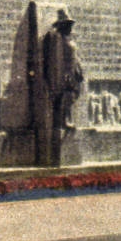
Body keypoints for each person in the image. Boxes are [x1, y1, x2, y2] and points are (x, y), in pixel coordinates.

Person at [37, 9, 83, 167]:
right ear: (62, 26)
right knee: (62, 105)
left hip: (71, 80)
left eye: (70, 25)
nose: (70, 28)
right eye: (67, 25)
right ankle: (63, 125)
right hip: (61, 81)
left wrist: (79, 71)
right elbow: (54, 63)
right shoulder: (56, 40)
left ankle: (66, 123)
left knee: (68, 102)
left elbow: (75, 61)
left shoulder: (69, 42)